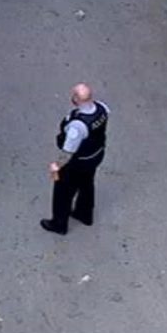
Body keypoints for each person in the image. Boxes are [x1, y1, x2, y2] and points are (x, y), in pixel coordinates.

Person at [40, 83, 108, 235]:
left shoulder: (77, 126)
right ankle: (84, 213)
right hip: (96, 156)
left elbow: (68, 151)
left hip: (78, 162)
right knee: (87, 184)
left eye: (74, 95)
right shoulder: (102, 109)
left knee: (63, 192)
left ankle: (59, 224)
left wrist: (57, 165)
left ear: (77, 99)